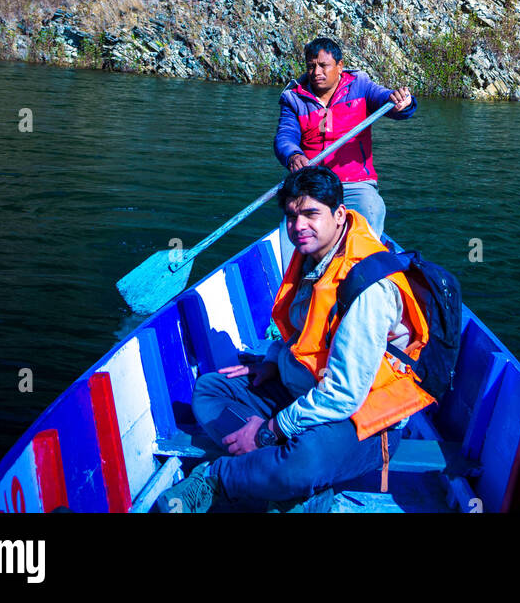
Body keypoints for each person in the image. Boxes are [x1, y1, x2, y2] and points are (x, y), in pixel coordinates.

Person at [164, 165, 435, 512]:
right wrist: (274, 361)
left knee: (309, 457)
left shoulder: (368, 285)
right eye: (292, 216)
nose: (298, 226)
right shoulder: (312, 256)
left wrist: (266, 431)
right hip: (303, 390)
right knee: (210, 390)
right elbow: (299, 329)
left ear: (339, 215)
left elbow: (344, 395)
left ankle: (219, 478)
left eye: (311, 213)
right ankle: (287, 481)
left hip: (364, 415)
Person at [273, 36, 417, 264]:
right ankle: (299, 280)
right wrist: (293, 155)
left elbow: (386, 100)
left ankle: (359, 272)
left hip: (355, 183)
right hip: (310, 185)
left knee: (371, 210)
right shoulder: (293, 98)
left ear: (339, 66)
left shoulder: (359, 85)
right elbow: (285, 137)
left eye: (323, 65)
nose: (316, 72)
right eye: (311, 66)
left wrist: (402, 102)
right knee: (292, 235)